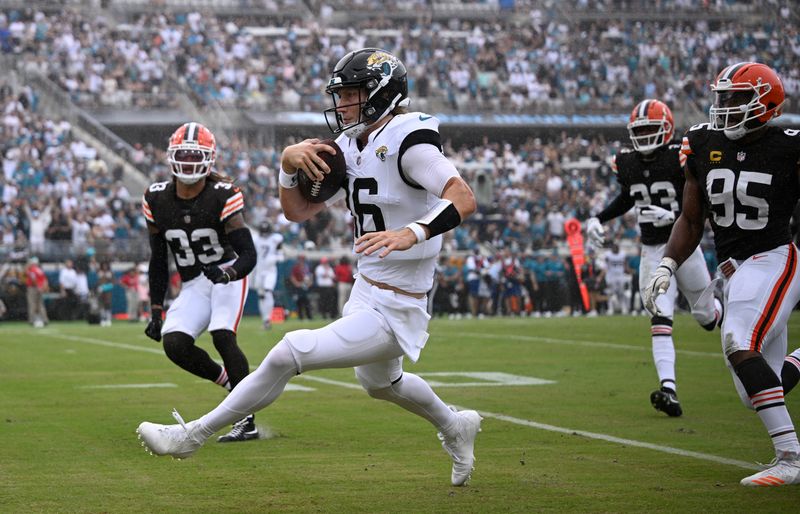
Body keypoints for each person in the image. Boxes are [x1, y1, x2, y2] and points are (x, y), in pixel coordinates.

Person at [137, 48, 482, 486]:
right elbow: (297, 212)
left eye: (352, 95)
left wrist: (411, 232)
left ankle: (191, 435)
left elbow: (463, 197)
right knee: (381, 385)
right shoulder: (346, 145)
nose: (342, 105)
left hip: (399, 302)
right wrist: (286, 165)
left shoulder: (408, 140)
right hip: (367, 288)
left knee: (290, 350)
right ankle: (456, 426)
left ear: (380, 94)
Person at [642, 63, 800, 486]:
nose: (724, 106)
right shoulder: (701, 142)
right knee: (757, 393)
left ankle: (790, 455)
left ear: (764, 104)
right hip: (731, 271)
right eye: (723, 97)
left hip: (772, 257)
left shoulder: (790, 146)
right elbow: (691, 220)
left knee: (736, 340)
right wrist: (667, 263)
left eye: (735, 98)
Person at [585, 99, 721, 417]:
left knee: (706, 318)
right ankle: (668, 389)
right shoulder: (627, 162)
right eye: (640, 129)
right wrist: (597, 218)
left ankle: (728, 314)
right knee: (660, 319)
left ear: (667, 129)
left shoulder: (679, 157)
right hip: (652, 251)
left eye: (651, 128)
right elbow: (627, 197)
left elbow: (703, 202)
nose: (645, 135)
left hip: (685, 245)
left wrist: (673, 213)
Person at [140, 122, 261, 443]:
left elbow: (248, 253)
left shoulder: (223, 194)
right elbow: (158, 259)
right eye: (185, 155)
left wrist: (228, 274)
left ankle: (246, 419)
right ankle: (233, 387)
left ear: (209, 159)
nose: (190, 162)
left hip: (225, 274)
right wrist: (155, 309)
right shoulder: (156, 198)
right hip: (194, 281)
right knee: (175, 344)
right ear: (171, 158)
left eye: (197, 156)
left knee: (223, 335)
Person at [252, 221, 284, 330]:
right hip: (259, 270)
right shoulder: (256, 239)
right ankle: (265, 319)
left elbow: (281, 255)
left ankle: (268, 319)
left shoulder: (276, 239)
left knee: (268, 291)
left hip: (270, 271)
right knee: (261, 296)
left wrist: (275, 258)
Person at [25, 256, 48, 327]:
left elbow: (33, 278)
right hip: (40, 288)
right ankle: (45, 320)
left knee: (32, 304)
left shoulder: (32, 269)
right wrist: (43, 287)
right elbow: (44, 280)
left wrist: (38, 286)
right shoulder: (39, 270)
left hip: (33, 288)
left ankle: (32, 320)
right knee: (40, 305)